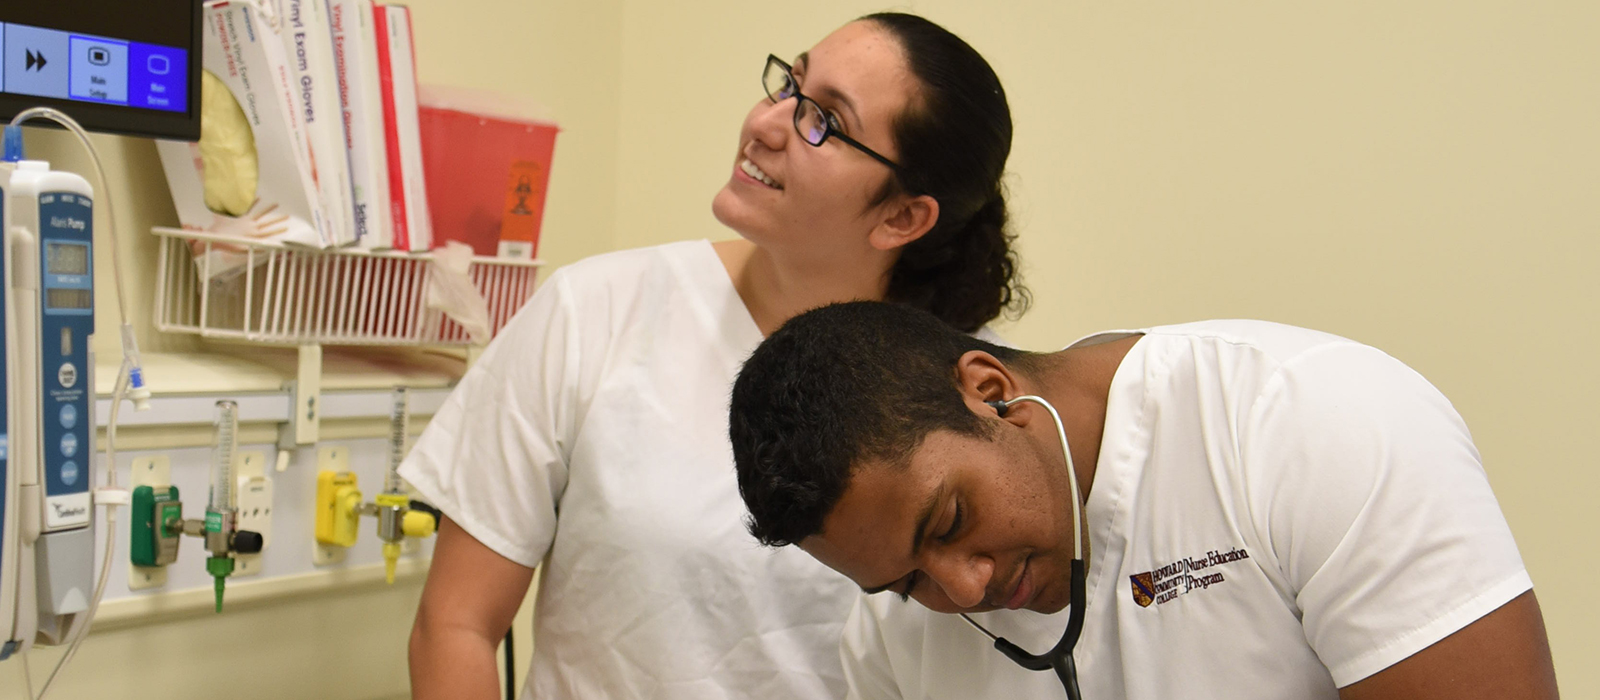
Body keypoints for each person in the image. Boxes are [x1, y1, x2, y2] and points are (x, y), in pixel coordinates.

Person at [399, 13, 1027, 700]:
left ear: (901, 217)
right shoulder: (595, 310)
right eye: (789, 83)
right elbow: (454, 626)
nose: (766, 122)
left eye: (823, 120)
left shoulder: (978, 401)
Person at [730, 301, 1559, 700]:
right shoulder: (889, 641)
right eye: (908, 582)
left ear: (989, 392)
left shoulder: (1307, 421)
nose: (964, 586)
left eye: (951, 521)